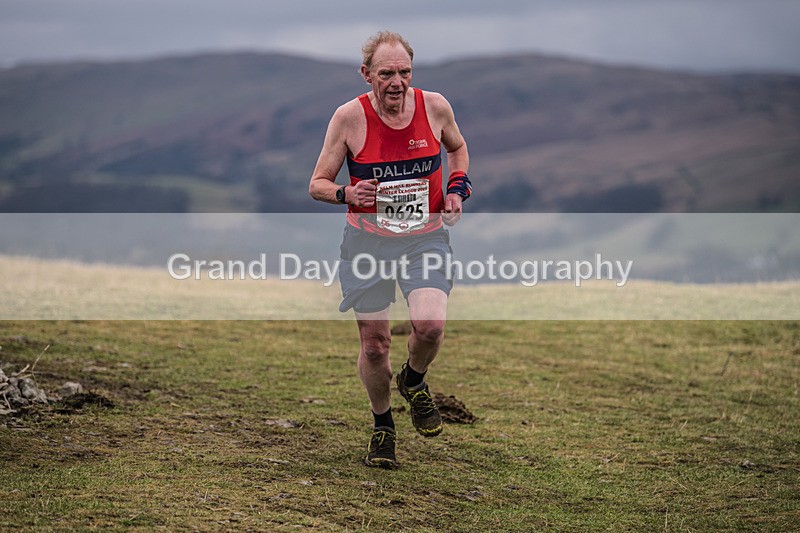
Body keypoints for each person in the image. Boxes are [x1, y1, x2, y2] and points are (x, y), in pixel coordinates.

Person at [308, 31, 471, 468]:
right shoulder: (348, 118)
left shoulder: (435, 107)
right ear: (367, 75)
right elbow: (317, 184)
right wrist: (347, 194)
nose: (397, 82)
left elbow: (457, 150)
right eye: (386, 73)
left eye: (404, 72)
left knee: (430, 326)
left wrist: (457, 189)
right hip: (368, 242)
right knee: (376, 345)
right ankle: (383, 427)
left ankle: (413, 381)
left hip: (425, 236)